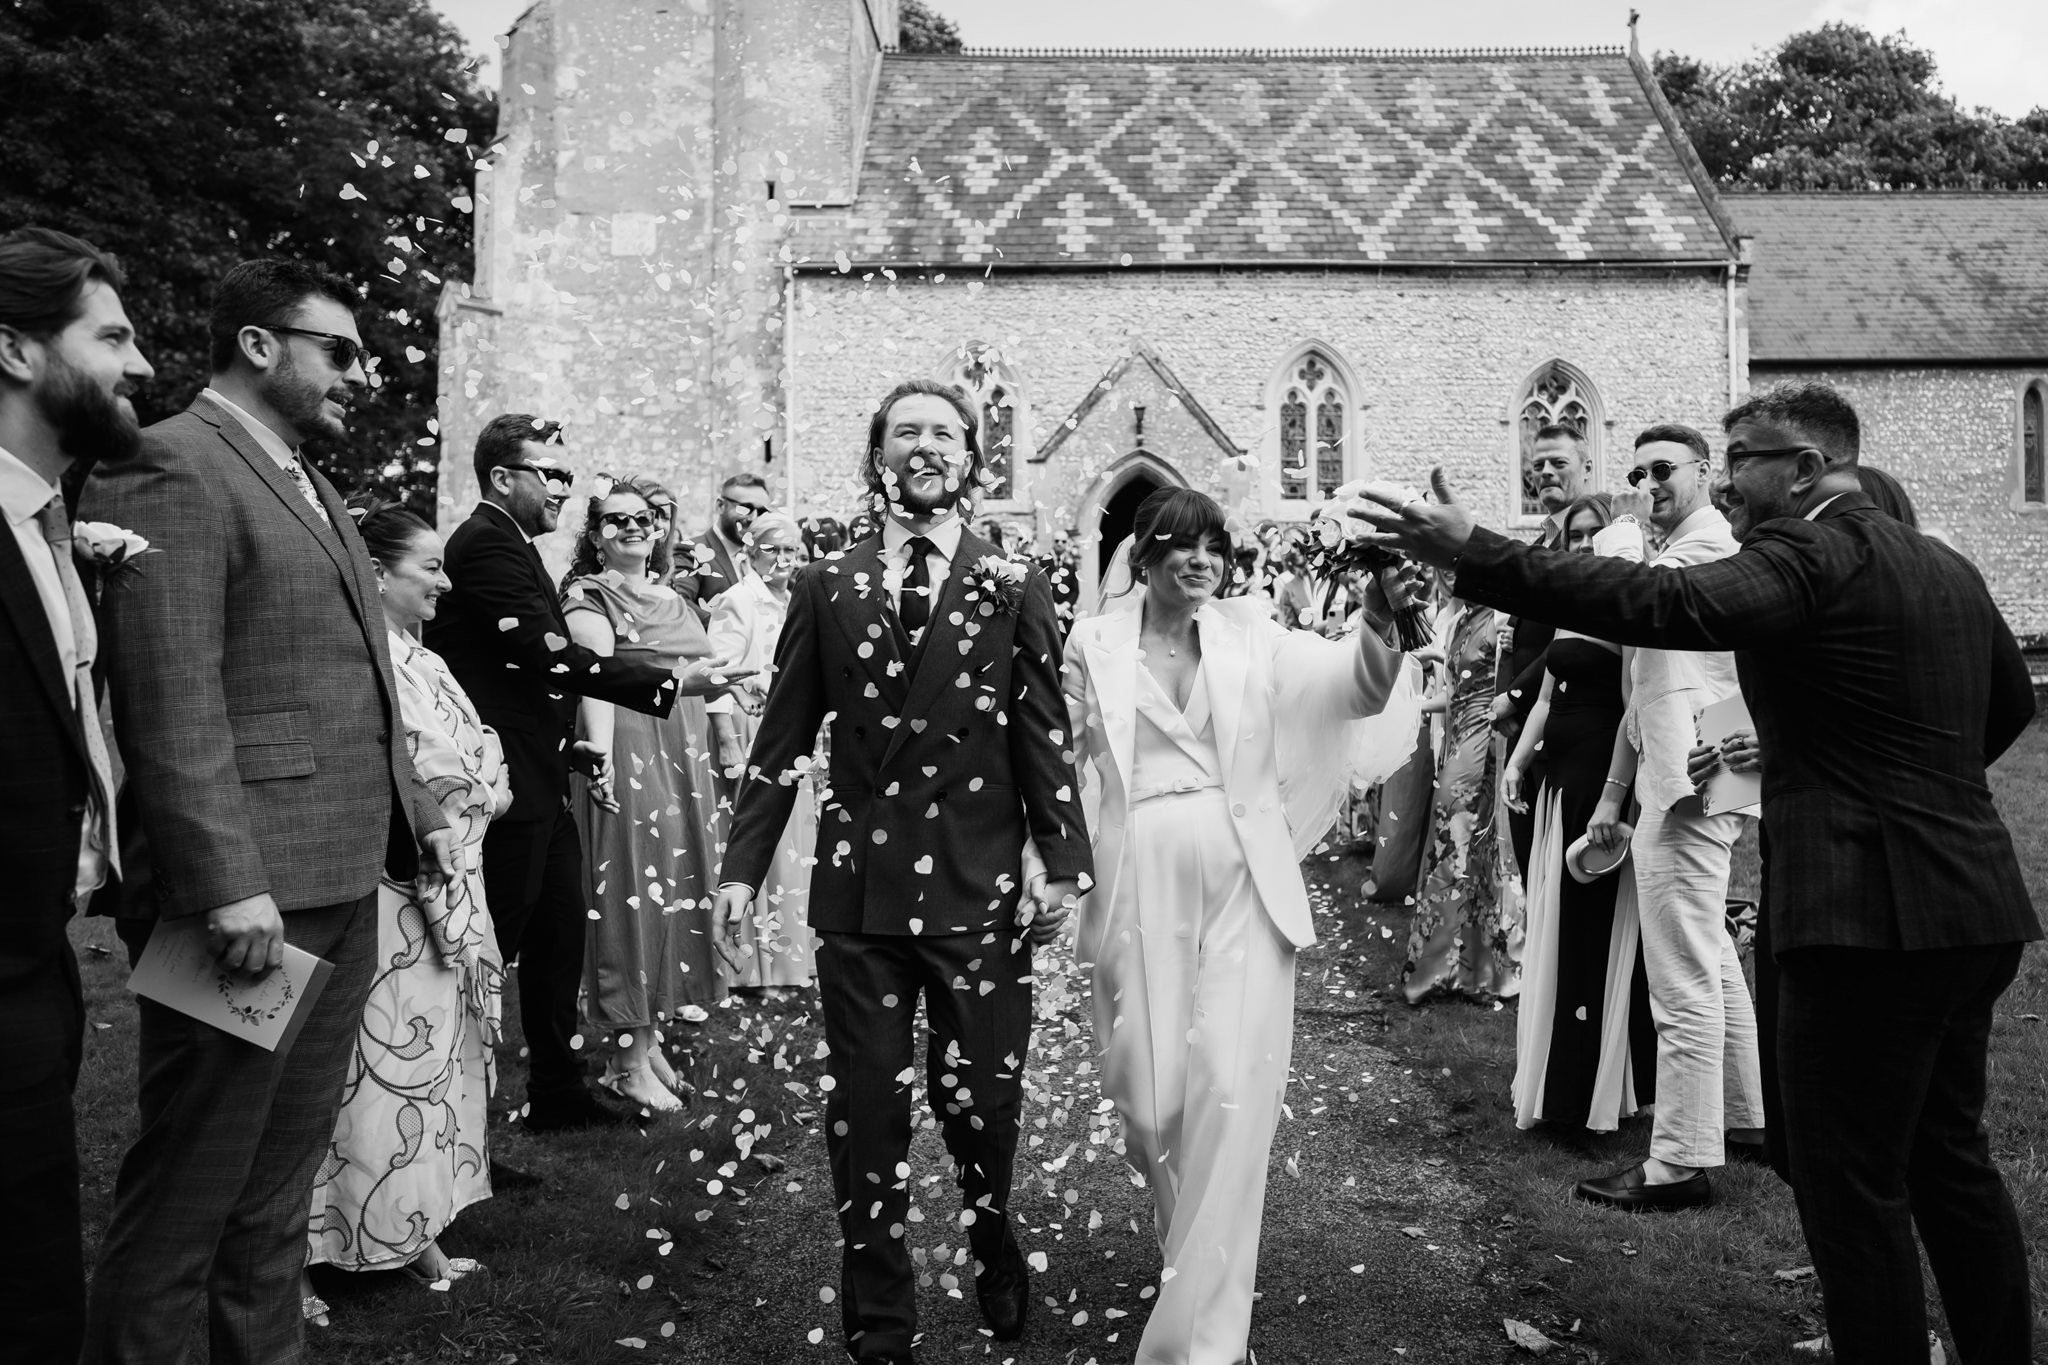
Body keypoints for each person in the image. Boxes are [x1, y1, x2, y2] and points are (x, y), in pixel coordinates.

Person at [1355, 381, 2039, 1365]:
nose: (1729, 481)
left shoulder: (1808, 548)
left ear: (1804, 467)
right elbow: (2006, 707)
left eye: (1742, 460)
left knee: (1850, 1188)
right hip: (1970, 904)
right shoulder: (1946, 567)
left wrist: (1476, 554)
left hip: (1862, 918)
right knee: (1948, 1163)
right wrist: (1918, 792)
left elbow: (1663, 605)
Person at [81, 258, 455, 1364]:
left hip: (339, 876)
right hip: (240, 901)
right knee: (194, 1182)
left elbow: (351, 667)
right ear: (256, 343)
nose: (359, 373)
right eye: (337, 351)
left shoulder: (303, 477)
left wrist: (415, 805)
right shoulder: (166, 464)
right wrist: (222, 884)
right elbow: (171, 697)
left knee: (277, 1189)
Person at [714, 379, 1091, 1365]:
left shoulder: (1012, 583)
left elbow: (1041, 733)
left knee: (982, 1102)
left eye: (943, 433)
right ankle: (878, 1320)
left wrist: (1059, 864)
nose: (924, 445)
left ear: (971, 459)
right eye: (905, 431)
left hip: (978, 893)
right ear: (877, 456)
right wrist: (739, 867)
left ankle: (989, 1224)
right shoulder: (825, 585)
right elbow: (781, 731)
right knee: (867, 1111)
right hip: (861, 894)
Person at [1062, 487, 1419, 1365]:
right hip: (1134, 875)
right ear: (1143, 553)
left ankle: (1206, 1339)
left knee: (1230, 1086)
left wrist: (1378, 618)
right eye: (1182, 544)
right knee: (1149, 1102)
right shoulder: (1091, 643)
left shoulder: (1255, 635)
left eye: (1215, 546)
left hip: (1242, 878)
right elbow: (1055, 753)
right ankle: (1194, 1251)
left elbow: (1357, 687)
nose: (1202, 560)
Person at [427, 415, 730, 1134]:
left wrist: (578, 750)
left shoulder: (515, 545)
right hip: (505, 782)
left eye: (569, 476)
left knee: (562, 934)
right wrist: (668, 685)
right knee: (496, 941)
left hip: (546, 769)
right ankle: (454, 1110)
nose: (566, 487)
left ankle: (559, 1091)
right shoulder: (484, 546)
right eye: (552, 475)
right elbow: (550, 657)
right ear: (504, 478)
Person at [0, 226, 151, 1365]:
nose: (139, 363)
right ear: (14, 349)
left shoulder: (53, 531)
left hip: (39, 966)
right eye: (110, 336)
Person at [308, 498, 507, 1291]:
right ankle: (312, 1251)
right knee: (372, 1066)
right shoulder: (372, 657)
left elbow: (482, 754)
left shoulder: (421, 655)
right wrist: (482, 785)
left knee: (429, 1067)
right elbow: (444, 769)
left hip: (451, 880)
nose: (446, 581)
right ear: (377, 572)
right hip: (397, 887)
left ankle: (413, 1228)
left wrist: (482, 781)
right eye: (429, 566)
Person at [1567, 426, 1764, 1209]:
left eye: (1663, 470)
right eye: (1638, 470)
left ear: (1704, 474)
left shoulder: (1703, 548)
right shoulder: (1669, 556)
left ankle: (1679, 1161)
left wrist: (1620, 519)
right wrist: (1614, 796)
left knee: (1679, 972)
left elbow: (1616, 578)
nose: (1648, 482)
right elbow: (1637, 696)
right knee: (1709, 949)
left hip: (1700, 772)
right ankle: (1748, 1119)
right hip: (1694, 767)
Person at [564, 477, 731, 1112]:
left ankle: (649, 1037)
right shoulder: (590, 597)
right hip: (633, 750)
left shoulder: (671, 593)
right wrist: (601, 760)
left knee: (672, 885)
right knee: (632, 889)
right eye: (615, 520)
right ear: (596, 536)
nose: (633, 527)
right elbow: (597, 681)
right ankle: (626, 1059)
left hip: (682, 753)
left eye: (643, 518)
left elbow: (695, 675)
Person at [1503, 493, 1656, 1136]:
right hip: (1553, 777)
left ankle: (1583, 1091)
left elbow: (1633, 711)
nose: (1597, 555)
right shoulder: (1572, 612)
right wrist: (1516, 762)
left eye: (1610, 548)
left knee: (1587, 930)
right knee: (1555, 923)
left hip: (1595, 773)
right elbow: (1544, 696)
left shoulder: (1630, 620)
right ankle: (1550, 1081)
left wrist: (1612, 799)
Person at [706, 509, 816, 994]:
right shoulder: (737, 600)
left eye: (792, 551)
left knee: (795, 853)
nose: (784, 560)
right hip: (752, 732)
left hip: (795, 735)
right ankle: (755, 970)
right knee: (760, 853)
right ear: (750, 551)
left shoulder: (796, 598)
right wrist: (731, 742)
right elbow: (715, 674)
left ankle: (794, 964)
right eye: (774, 549)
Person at [1401, 579, 1522, 1004]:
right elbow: (1453, 695)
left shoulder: (1503, 619)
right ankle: (1464, 972)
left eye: (1458, 569)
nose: (1450, 580)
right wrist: (1407, 705)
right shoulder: (1459, 623)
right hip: (1456, 747)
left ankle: (1462, 972)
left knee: (1461, 851)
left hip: (1484, 749)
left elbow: (1512, 686)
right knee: (1461, 852)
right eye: (1444, 573)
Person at [1493, 424, 1593, 880]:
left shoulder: (1591, 538)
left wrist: (1514, 695)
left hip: (1567, 718)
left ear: (1586, 467)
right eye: (1538, 466)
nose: (1546, 473)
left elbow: (1573, 633)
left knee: (1559, 867)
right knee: (1532, 857)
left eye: (1559, 463)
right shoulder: (1542, 540)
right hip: (1528, 718)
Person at [674, 470, 771, 619]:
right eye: (746, 508)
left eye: (762, 511)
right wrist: (727, 629)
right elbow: (678, 603)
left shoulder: (759, 558)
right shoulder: (691, 551)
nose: (754, 518)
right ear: (720, 506)